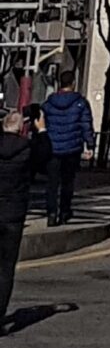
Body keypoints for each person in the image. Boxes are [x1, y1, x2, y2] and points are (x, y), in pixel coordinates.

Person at [0, 109, 50, 333]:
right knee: (5, 268)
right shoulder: (27, 150)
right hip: (13, 213)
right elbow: (46, 159)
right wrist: (42, 130)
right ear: (22, 128)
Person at [40, 70, 93, 228]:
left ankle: (51, 213)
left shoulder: (49, 103)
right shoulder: (80, 103)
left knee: (52, 183)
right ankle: (64, 211)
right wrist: (90, 145)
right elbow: (86, 125)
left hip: (53, 148)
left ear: (60, 83)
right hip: (72, 148)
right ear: (73, 83)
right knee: (68, 182)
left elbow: (41, 122)